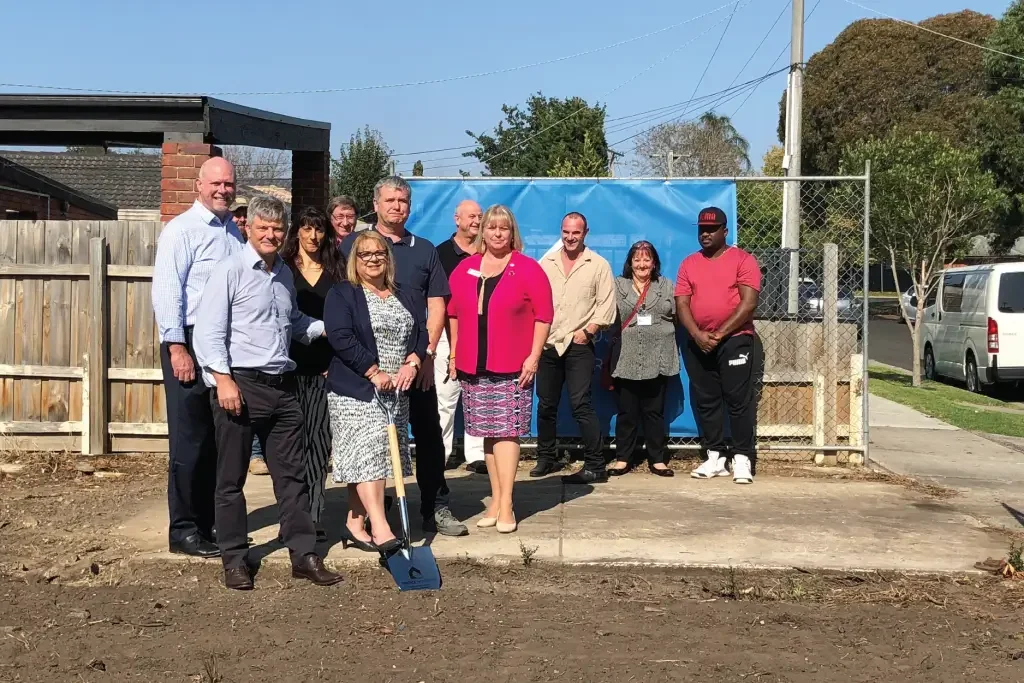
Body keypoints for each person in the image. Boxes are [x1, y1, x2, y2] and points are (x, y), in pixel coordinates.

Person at [193, 194, 343, 590]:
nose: (271, 235)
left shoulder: (283, 277)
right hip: (239, 387)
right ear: (249, 228)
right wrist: (222, 380)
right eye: (264, 227)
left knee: (292, 479)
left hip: (282, 388)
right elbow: (208, 332)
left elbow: (294, 322)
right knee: (230, 480)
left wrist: (332, 326)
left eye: (278, 229)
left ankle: (303, 554)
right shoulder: (229, 271)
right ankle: (234, 559)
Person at [338, 177, 468, 536]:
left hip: (415, 364)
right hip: (365, 368)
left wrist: (425, 356)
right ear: (375, 204)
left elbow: (437, 304)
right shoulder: (352, 245)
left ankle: (435, 506)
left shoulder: (423, 249)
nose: (397, 206)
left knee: (428, 434)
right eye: (390, 200)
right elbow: (339, 300)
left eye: (403, 200)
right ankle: (370, 513)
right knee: (371, 439)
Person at [152, 157, 244, 559]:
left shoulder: (233, 233)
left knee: (215, 439)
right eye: (216, 184)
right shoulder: (182, 231)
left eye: (229, 183)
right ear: (198, 186)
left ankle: (208, 524)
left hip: (222, 343)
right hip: (187, 341)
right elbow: (168, 290)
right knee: (189, 442)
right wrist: (176, 346)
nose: (223, 190)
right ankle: (184, 530)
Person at [447, 205, 553, 533]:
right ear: (483, 232)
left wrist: (533, 357)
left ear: (512, 233)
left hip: (512, 365)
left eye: (503, 228)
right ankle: (495, 498)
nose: (497, 233)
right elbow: (453, 311)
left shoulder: (527, 268)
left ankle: (507, 502)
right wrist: (453, 354)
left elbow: (544, 315)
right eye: (491, 228)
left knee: (506, 432)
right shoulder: (466, 268)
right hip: (474, 365)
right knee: (489, 434)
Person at [323, 230, 425, 553]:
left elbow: (420, 331)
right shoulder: (342, 294)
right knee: (369, 456)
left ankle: (355, 523)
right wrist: (373, 371)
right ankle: (382, 529)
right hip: (357, 390)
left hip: (396, 392)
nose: (373, 259)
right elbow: (340, 337)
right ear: (355, 259)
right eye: (365, 254)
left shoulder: (405, 293)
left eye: (379, 253)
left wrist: (414, 361)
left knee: (375, 456)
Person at [675, 206, 763, 485]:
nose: (706, 233)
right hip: (699, 342)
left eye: (712, 229)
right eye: (702, 228)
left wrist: (720, 334)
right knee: (707, 400)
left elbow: (749, 303)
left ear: (725, 231)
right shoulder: (689, 263)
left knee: (738, 401)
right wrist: (698, 335)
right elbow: (682, 303)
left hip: (736, 340)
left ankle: (742, 458)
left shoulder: (743, 260)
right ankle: (715, 457)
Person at [533, 212, 616, 484]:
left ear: (585, 233)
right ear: (561, 231)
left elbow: (606, 306)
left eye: (576, 233)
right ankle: (546, 458)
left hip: (579, 345)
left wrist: (588, 332)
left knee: (581, 404)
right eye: (566, 232)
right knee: (546, 404)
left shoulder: (598, 265)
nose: (570, 237)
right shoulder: (546, 263)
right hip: (548, 343)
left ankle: (595, 464)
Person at [280, 206, 347, 541]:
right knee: (291, 448)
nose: (312, 236)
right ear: (297, 232)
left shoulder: (337, 269)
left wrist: (335, 363)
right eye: (306, 229)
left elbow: (346, 318)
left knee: (319, 445)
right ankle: (291, 519)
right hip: (287, 370)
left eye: (318, 229)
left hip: (324, 371)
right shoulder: (282, 268)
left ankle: (314, 516)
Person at [606, 241, 679, 477]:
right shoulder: (617, 285)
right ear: (630, 263)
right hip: (626, 358)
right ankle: (622, 458)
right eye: (637, 259)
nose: (642, 264)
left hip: (658, 358)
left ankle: (657, 459)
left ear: (654, 262)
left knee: (654, 412)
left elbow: (678, 316)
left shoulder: (666, 286)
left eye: (647, 259)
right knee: (626, 412)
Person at [435, 199, 487, 474]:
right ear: (457, 219)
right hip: (446, 335)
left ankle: (476, 455)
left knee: (477, 397)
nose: (476, 221)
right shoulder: (440, 253)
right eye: (471, 216)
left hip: (481, 337)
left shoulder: (488, 253)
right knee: (445, 398)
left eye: (480, 216)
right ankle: (440, 454)